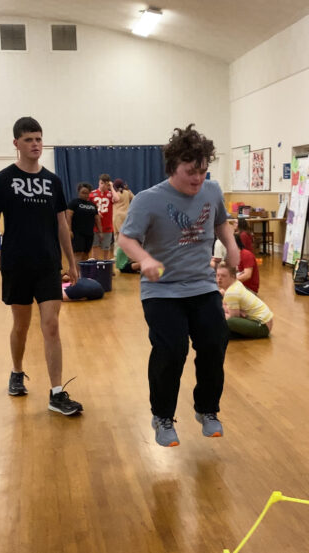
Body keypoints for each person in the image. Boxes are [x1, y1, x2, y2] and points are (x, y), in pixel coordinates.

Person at [118, 123, 239, 448]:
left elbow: (220, 222)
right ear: (173, 167)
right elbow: (126, 238)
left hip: (202, 286)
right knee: (172, 350)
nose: (197, 179)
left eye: (202, 171)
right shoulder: (148, 199)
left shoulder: (211, 191)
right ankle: (162, 416)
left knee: (215, 343)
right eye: (190, 172)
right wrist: (144, 259)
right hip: (162, 291)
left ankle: (207, 410)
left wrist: (232, 246)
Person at [0, 116, 84, 416]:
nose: (35, 144)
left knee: (51, 325)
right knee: (21, 326)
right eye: (29, 139)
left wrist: (71, 263)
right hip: (16, 265)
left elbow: (62, 224)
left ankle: (57, 393)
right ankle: (16, 371)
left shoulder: (53, 181)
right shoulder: (2, 180)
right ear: (16, 143)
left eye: (38, 138)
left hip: (48, 265)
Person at [216, 264, 272, 338]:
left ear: (232, 276)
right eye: (217, 275)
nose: (219, 279)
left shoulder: (231, 292)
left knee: (224, 321)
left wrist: (221, 310)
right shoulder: (236, 283)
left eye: (223, 276)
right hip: (265, 322)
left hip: (262, 326)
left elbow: (233, 318)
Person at [66, 182, 98, 266]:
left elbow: (97, 218)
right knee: (78, 253)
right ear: (78, 192)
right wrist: (69, 230)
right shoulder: (74, 203)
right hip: (77, 233)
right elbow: (68, 216)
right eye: (83, 192)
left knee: (86, 254)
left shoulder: (92, 205)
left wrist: (100, 232)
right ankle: (76, 275)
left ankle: (83, 275)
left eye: (87, 193)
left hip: (89, 233)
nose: (85, 195)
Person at [89, 173, 120, 261]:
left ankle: (106, 268)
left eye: (105, 184)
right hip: (95, 227)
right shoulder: (92, 194)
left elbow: (117, 199)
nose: (103, 186)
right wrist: (95, 212)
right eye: (101, 183)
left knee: (106, 249)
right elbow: (88, 207)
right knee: (95, 247)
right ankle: (95, 267)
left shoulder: (110, 194)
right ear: (99, 182)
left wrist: (111, 187)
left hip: (107, 226)